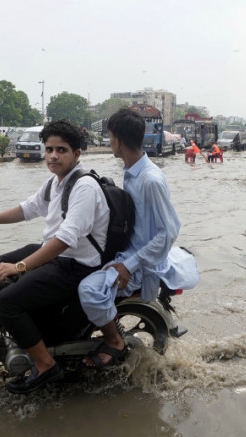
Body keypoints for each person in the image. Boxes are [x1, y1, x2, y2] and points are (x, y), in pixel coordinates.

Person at [0, 119, 110, 394]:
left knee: (5, 302)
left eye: (62, 150)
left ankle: (45, 365)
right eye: (49, 149)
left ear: (77, 154)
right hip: (55, 253)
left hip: (76, 265)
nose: (53, 156)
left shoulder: (84, 187)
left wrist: (19, 267)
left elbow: (66, 240)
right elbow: (26, 209)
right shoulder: (56, 182)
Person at [78, 108, 199, 367]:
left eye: (110, 137)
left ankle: (114, 341)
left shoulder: (150, 179)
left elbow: (168, 233)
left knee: (88, 290)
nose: (110, 142)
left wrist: (127, 265)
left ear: (117, 141)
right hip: (128, 253)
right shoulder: (131, 171)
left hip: (140, 265)